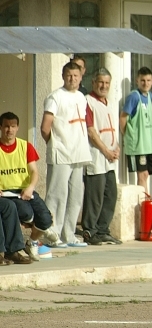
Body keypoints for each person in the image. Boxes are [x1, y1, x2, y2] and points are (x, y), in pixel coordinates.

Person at [41, 61, 92, 247]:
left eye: (76, 76)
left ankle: (69, 235)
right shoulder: (55, 97)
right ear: (63, 76)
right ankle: (51, 236)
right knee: (57, 195)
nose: (72, 79)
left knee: (76, 196)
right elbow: (45, 127)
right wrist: (56, 145)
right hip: (61, 153)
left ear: (81, 77)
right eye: (69, 75)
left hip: (79, 153)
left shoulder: (81, 97)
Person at [0, 111, 59, 259]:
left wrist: (31, 187)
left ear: (18, 127)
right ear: (1, 127)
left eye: (13, 126)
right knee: (26, 214)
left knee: (46, 219)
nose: (10, 130)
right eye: (6, 126)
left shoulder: (25, 146)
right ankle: (36, 234)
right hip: (7, 193)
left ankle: (32, 241)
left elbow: (34, 171)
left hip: (26, 190)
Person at [121, 67, 152, 223]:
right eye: (143, 80)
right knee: (143, 176)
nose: (146, 83)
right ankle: (146, 213)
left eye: (149, 80)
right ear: (137, 80)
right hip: (138, 146)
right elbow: (123, 118)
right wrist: (127, 137)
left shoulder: (150, 96)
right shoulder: (133, 97)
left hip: (150, 145)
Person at [83, 68, 122, 245]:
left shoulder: (109, 103)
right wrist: (106, 151)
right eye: (100, 82)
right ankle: (90, 231)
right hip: (97, 155)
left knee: (110, 194)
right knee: (95, 196)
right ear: (93, 82)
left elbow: (113, 129)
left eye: (107, 83)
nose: (103, 86)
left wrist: (116, 148)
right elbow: (91, 131)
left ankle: (103, 229)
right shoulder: (88, 102)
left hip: (111, 158)